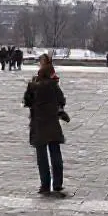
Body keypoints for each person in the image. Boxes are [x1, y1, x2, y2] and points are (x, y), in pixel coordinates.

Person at [23, 61, 68, 197]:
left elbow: (27, 101)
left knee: (42, 158)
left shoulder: (33, 86)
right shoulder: (54, 87)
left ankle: (45, 185)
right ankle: (57, 183)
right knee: (55, 155)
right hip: (52, 124)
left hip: (38, 125)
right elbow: (62, 100)